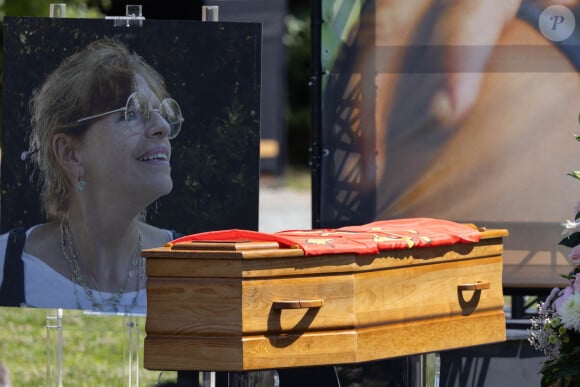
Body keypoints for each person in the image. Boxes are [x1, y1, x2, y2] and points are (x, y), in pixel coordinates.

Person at [0, 38, 184, 314]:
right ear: (70, 153)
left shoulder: (195, 265)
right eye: (132, 113)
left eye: (161, 112)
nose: (161, 127)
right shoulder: (7, 264)